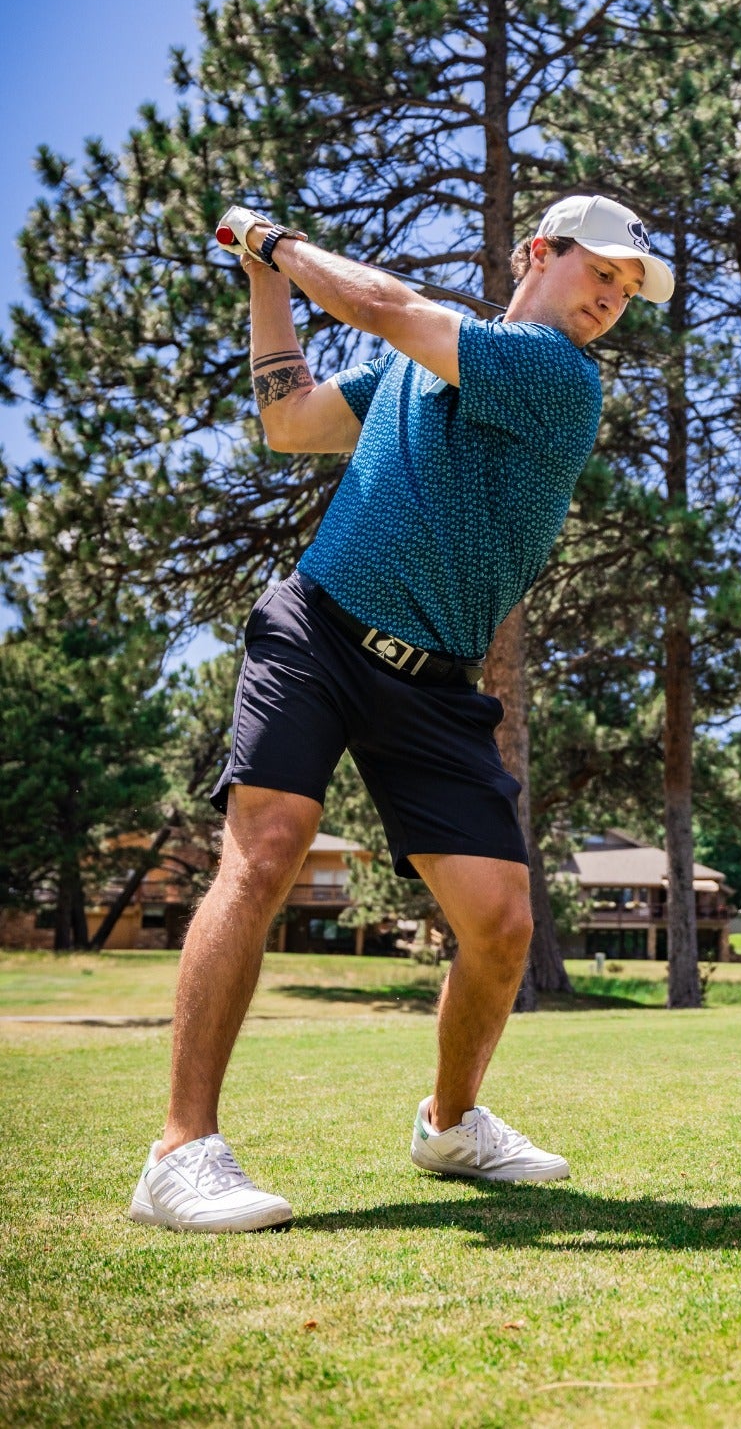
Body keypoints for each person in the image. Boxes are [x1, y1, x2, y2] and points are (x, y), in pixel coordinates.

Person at [129, 195, 674, 1233]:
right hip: (319, 631)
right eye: (598, 271)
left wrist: (272, 241)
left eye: (627, 289)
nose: (611, 299)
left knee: (502, 929)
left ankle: (450, 1124)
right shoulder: (427, 367)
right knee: (269, 848)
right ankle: (178, 1151)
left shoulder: (556, 376)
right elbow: (289, 423)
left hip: (434, 685)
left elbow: (381, 303)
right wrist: (265, 286)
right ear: (538, 254)